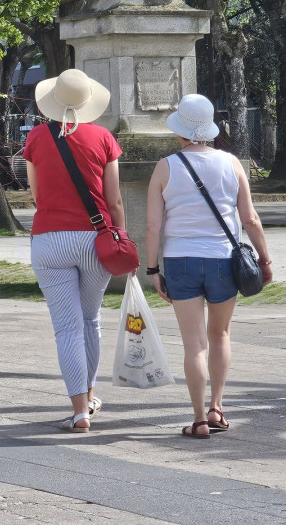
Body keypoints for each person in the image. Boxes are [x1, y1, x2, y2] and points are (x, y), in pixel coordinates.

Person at [145, 94, 272, 439]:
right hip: (223, 261)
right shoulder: (231, 163)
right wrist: (264, 259)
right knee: (220, 335)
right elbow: (250, 219)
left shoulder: (165, 166)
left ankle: (199, 418)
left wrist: (153, 269)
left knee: (194, 344)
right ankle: (218, 406)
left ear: (180, 130)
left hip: (180, 261)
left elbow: (153, 226)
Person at [23, 69, 127, 432]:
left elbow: (36, 197)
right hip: (94, 239)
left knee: (66, 328)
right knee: (90, 320)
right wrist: (121, 235)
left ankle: (80, 411)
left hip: (50, 239)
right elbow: (113, 199)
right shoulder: (103, 138)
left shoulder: (36, 137)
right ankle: (92, 393)